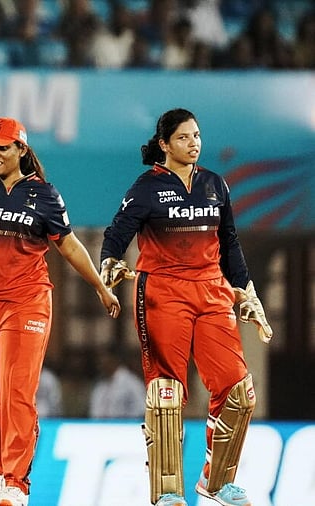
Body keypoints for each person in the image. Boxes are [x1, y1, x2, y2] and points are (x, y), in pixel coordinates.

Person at [0, 117, 120, 506]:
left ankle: (16, 482)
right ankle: (2, 473)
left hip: (26, 300)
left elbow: (69, 245)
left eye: (1, 147)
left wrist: (100, 287)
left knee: (16, 388)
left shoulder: (44, 194)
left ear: (21, 150)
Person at [99, 107, 273, 506]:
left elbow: (230, 243)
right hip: (164, 291)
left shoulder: (214, 184)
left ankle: (217, 482)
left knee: (239, 391)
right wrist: (109, 261)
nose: (193, 143)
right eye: (183, 137)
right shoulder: (146, 188)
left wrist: (247, 292)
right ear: (164, 144)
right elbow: (117, 233)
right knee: (166, 393)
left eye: (196, 136)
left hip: (212, 292)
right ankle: (167, 492)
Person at [88, 347, 145, 419]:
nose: (99, 361)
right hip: (99, 425)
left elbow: (142, 411)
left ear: (114, 358)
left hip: (124, 425)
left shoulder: (132, 383)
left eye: (103, 357)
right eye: (98, 358)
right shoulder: (99, 385)